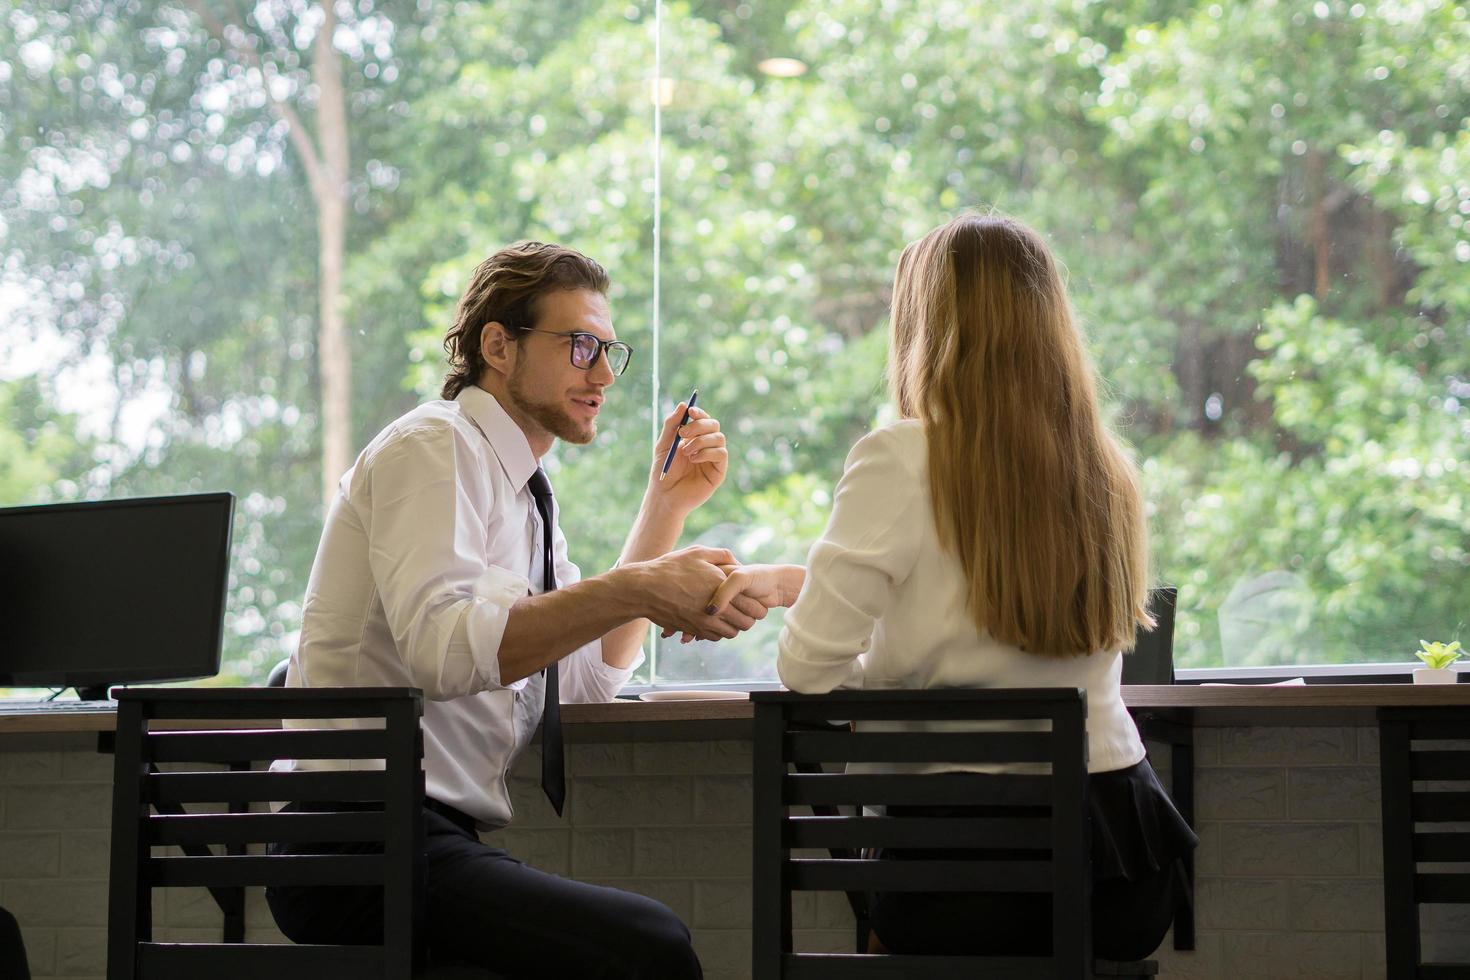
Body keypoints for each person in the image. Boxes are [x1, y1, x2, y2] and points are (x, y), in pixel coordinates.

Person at [267, 241, 771, 978]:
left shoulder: (527, 497)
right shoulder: (432, 448)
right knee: (650, 947)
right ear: (497, 346)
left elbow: (587, 684)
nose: (602, 374)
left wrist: (664, 508)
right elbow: (443, 653)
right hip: (356, 845)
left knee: (645, 941)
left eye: (608, 351)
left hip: (425, 839)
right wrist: (638, 587)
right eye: (578, 346)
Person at [706, 212, 1197, 961]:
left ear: (927, 329)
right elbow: (980, 605)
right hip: (1122, 865)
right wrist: (800, 585)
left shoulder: (902, 457)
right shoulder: (1106, 469)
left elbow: (807, 673)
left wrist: (877, 667)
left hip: (964, 869)